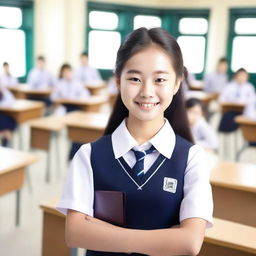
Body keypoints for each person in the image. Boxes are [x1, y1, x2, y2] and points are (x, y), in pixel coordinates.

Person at [57, 27, 213, 256]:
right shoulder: (89, 155)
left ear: (177, 83)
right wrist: (167, 237)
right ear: (118, 81)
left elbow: (190, 243)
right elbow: (75, 233)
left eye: (160, 79)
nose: (147, 91)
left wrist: (103, 232)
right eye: (134, 79)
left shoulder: (192, 158)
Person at [218, 68, 256, 132]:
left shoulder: (250, 87)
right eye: (240, 75)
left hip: (245, 112)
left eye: (244, 76)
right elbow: (221, 99)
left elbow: (253, 102)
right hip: (230, 110)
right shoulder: (229, 86)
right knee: (227, 118)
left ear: (247, 77)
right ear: (236, 76)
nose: (241, 78)